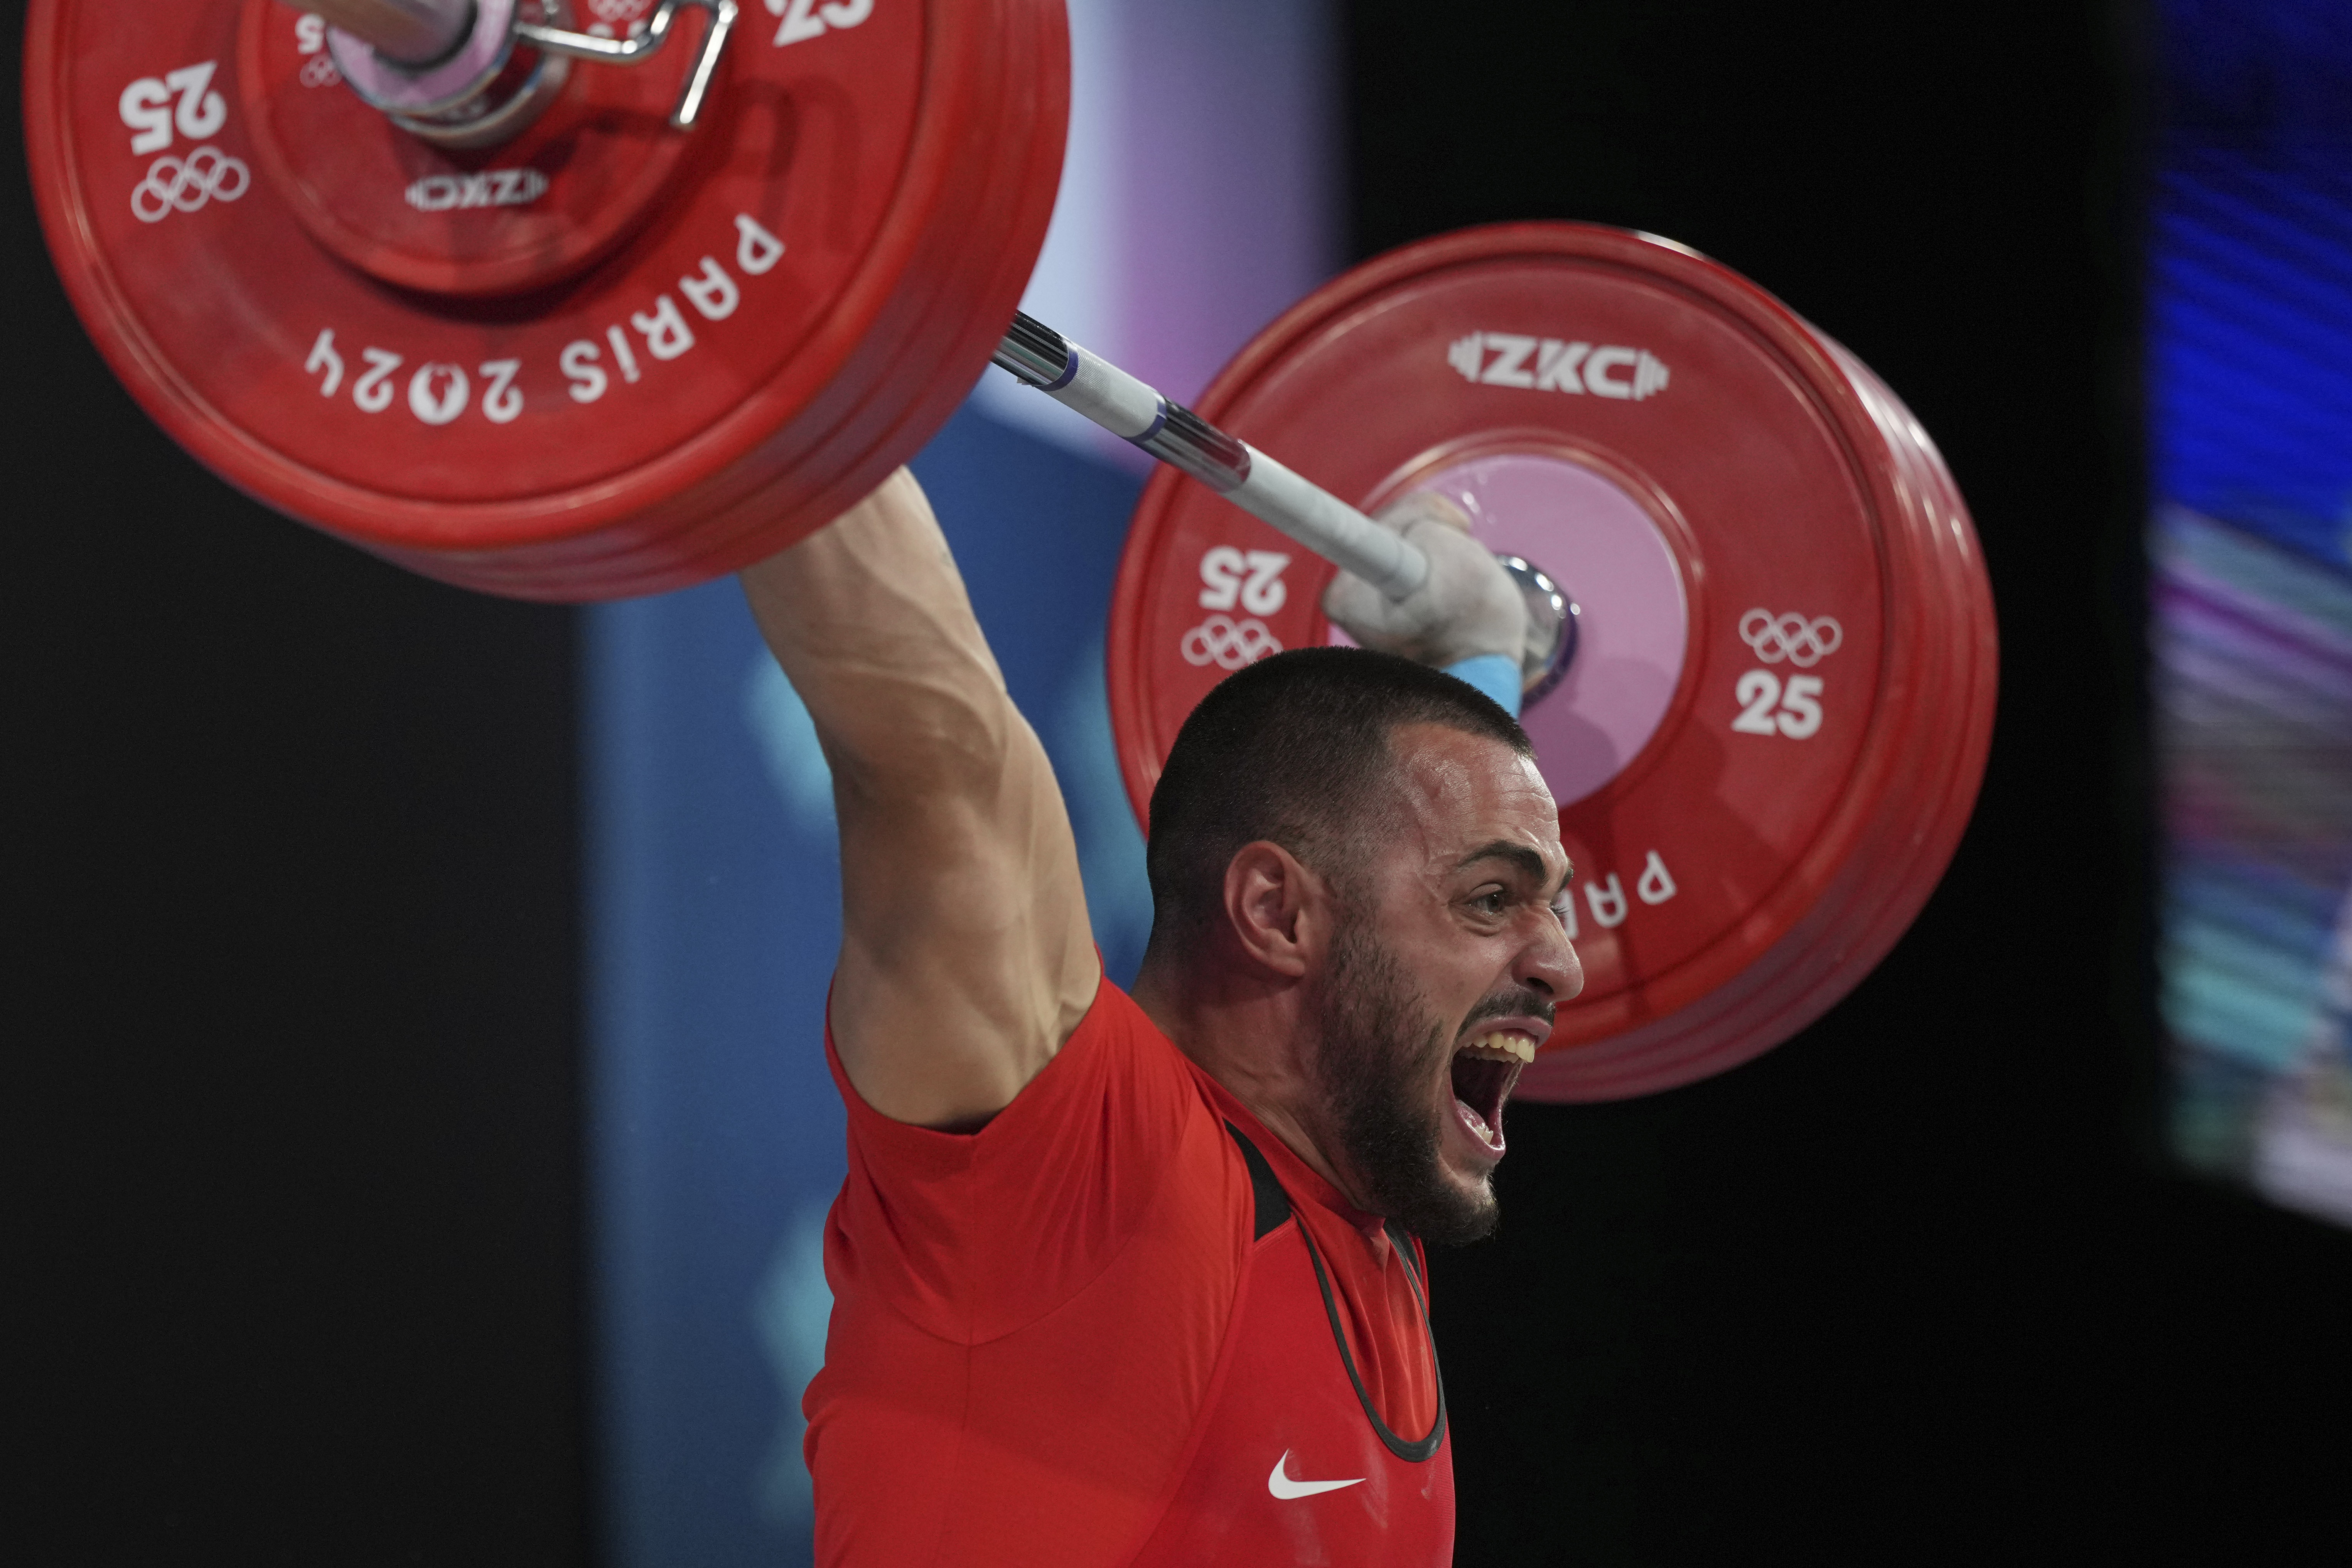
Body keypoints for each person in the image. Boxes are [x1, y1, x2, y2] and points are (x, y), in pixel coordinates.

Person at [741, 467, 1582, 1566]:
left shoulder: (1357, 1186)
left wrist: (1472, 649)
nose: (1564, 963)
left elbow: (1412, 837)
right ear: (1275, 912)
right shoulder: (1091, 1172)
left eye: (1547, 903)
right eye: (1495, 902)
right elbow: (936, 750)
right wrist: (785, 391)